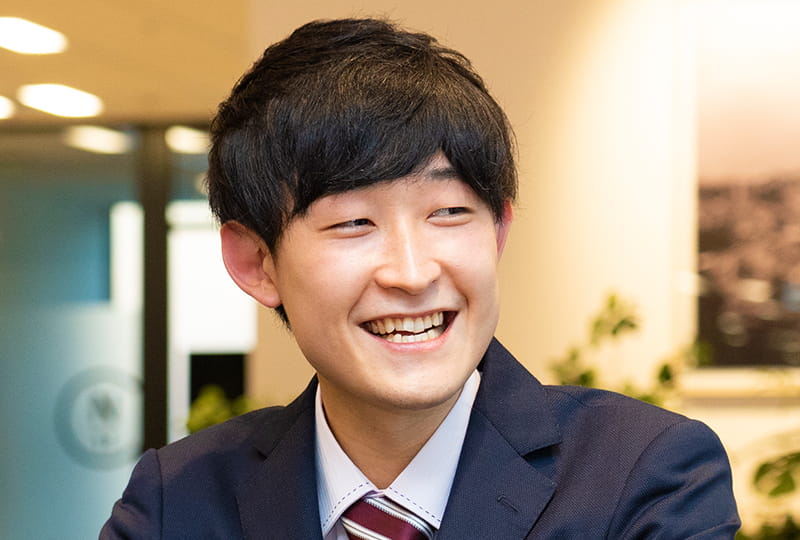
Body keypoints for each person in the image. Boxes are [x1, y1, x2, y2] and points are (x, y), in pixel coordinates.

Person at [101, 18, 740, 539]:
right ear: (256, 263)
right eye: (353, 222)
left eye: (449, 213)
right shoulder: (176, 503)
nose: (412, 273)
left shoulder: (643, 476)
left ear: (497, 231)